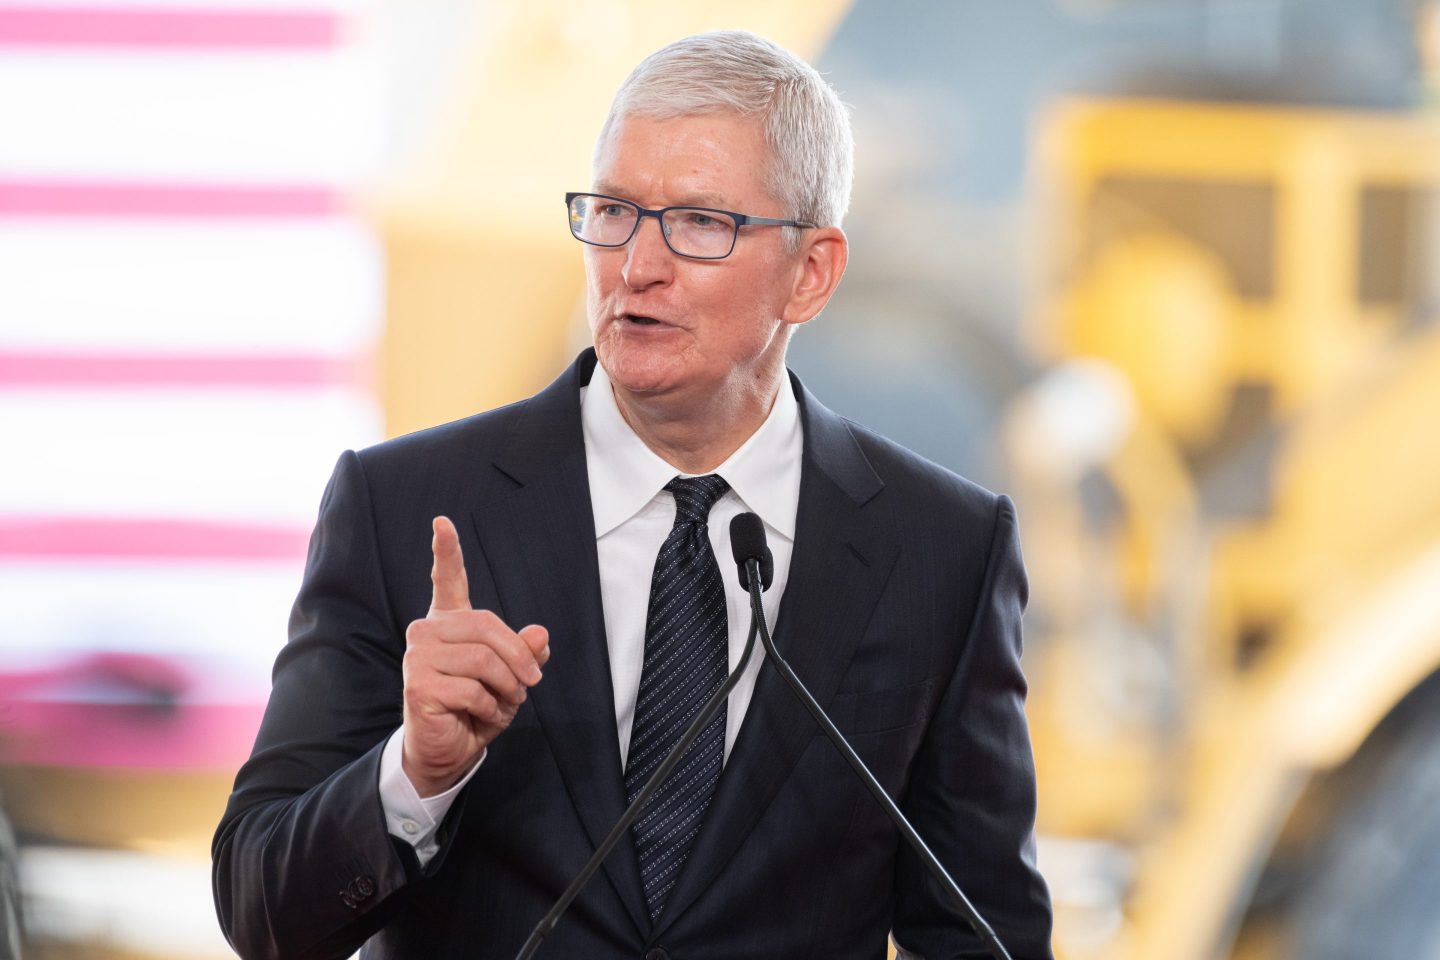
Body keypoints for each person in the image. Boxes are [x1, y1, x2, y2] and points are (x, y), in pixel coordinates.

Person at [212, 29, 1052, 960]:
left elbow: (986, 937)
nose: (636, 266)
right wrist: (413, 775)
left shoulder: (941, 548)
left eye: (698, 223)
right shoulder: (403, 506)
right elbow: (262, 913)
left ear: (810, 274)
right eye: (613, 211)